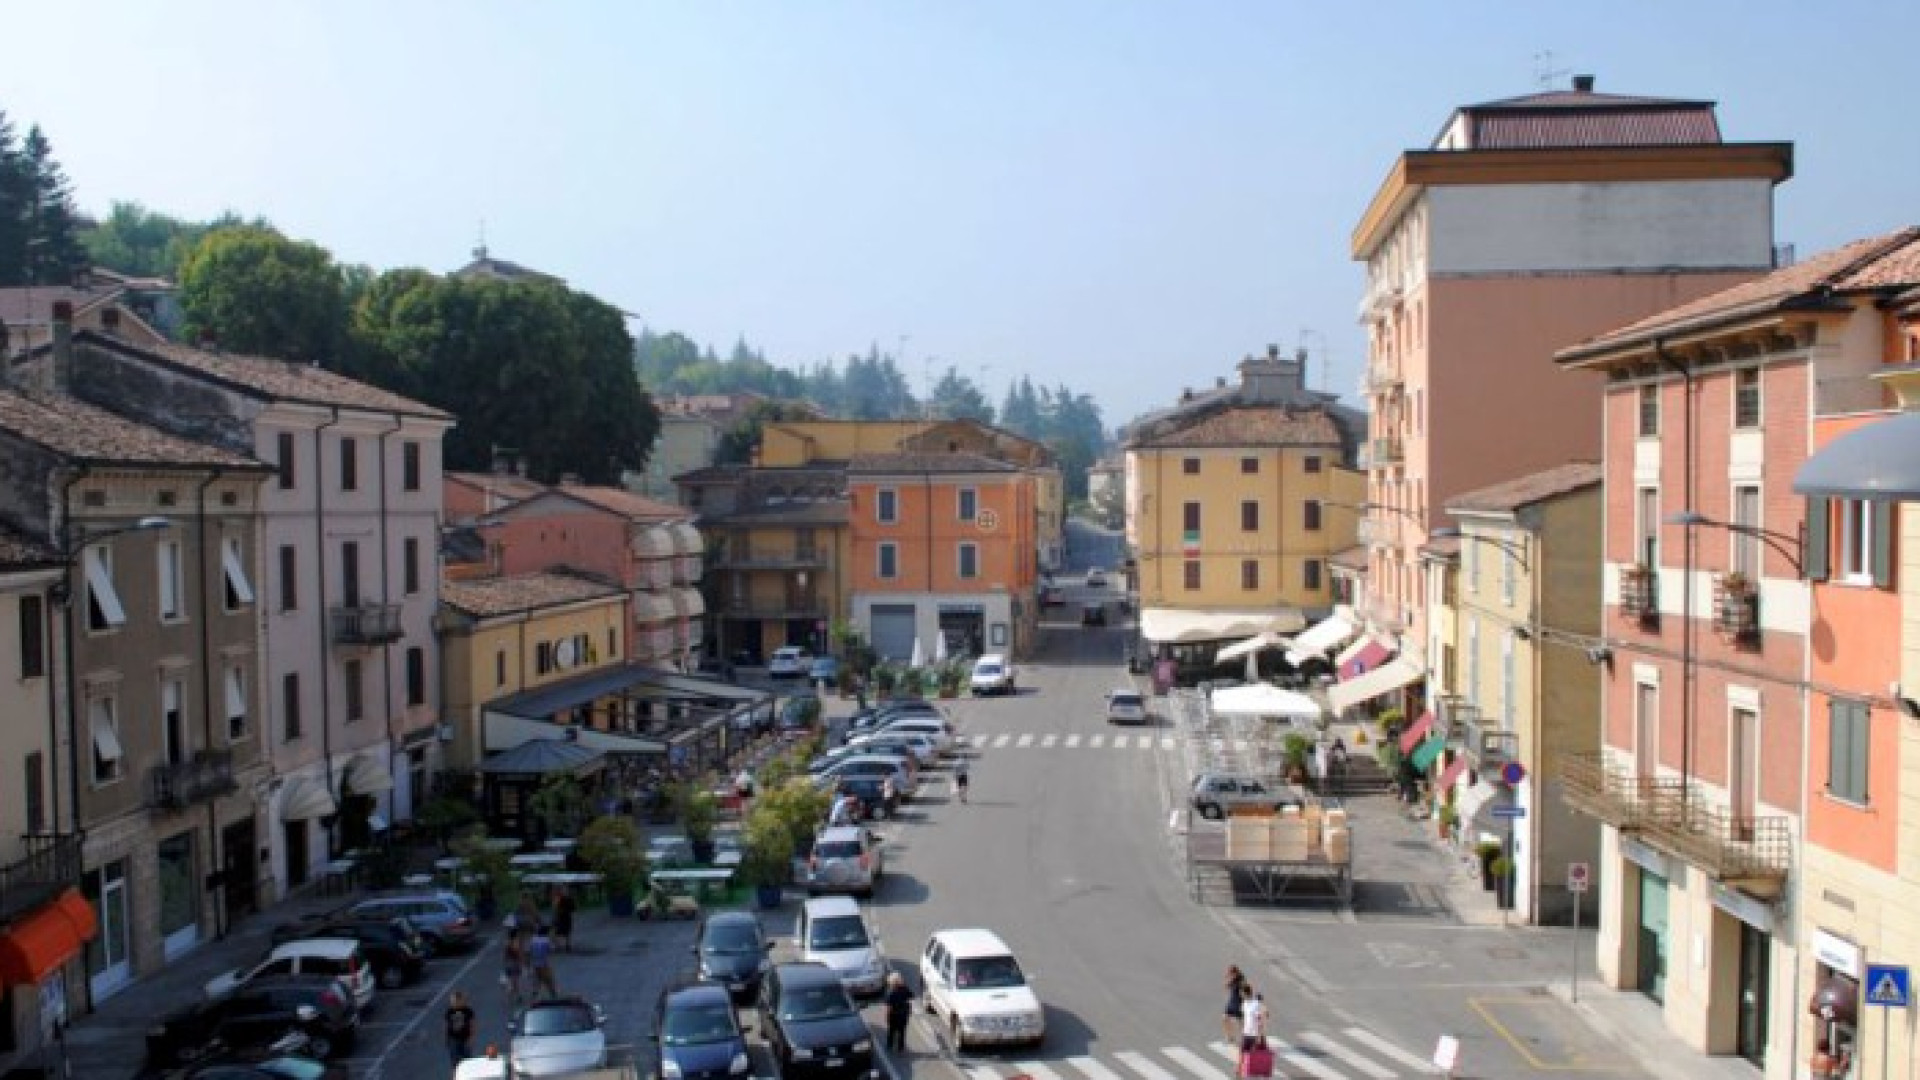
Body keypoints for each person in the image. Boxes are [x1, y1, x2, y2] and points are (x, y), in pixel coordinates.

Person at [444, 989, 476, 1070]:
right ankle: (456, 1074)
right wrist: (446, 1038)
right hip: (453, 1039)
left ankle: (468, 1073)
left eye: (454, 1001)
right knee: (455, 1061)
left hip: (465, 1038)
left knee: (467, 1059)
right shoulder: (449, 1012)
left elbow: (472, 1025)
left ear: (460, 1000)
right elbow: (446, 1026)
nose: (452, 1003)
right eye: (452, 1001)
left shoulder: (468, 1011)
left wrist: (471, 1038)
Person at [883, 971, 914, 1053]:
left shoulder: (890, 993)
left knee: (891, 1031)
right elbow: (911, 996)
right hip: (904, 1014)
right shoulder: (905, 989)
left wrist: (887, 1017)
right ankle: (900, 1047)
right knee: (902, 1031)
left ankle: (889, 1045)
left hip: (894, 1016)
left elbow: (889, 1008)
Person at [528, 924, 559, 1000]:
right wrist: (553, 940)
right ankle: (554, 996)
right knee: (549, 980)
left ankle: (534, 995)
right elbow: (553, 949)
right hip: (544, 963)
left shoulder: (533, 939)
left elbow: (529, 951)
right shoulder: (546, 940)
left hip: (535, 963)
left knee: (537, 980)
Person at [1238, 984, 1266, 1063]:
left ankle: (1253, 1067)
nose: (1241, 995)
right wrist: (1242, 1029)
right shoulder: (1244, 1004)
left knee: (1253, 1054)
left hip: (1254, 1033)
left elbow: (1260, 1020)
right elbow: (1244, 1017)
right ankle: (1239, 1067)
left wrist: (1259, 1035)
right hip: (1246, 1032)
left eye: (1241, 993)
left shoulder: (1256, 1004)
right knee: (1242, 1051)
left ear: (1245, 993)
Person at [1222, 965, 1248, 1042]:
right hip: (1231, 1003)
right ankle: (1229, 1037)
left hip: (1239, 1004)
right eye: (1229, 974)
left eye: (1230, 974)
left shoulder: (1241, 981)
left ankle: (1244, 1039)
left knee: (1240, 1023)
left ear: (1235, 973)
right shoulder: (1232, 980)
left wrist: (1244, 1002)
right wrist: (1228, 979)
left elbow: (1245, 993)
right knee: (1224, 1018)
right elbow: (1226, 986)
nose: (1229, 975)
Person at [552, 888, 576, 953]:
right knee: (564, 931)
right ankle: (564, 945)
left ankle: (561, 945)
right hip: (564, 917)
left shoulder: (561, 898)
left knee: (558, 931)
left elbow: (556, 908)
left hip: (562, 917)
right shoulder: (564, 898)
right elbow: (573, 909)